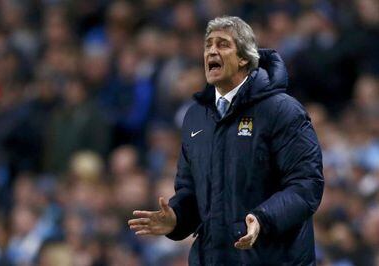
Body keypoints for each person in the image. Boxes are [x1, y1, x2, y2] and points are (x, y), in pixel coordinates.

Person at [128, 16, 324, 265]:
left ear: (244, 57)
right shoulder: (196, 116)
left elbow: (306, 185)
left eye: (222, 44)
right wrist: (176, 218)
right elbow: (191, 192)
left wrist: (262, 218)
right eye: (208, 45)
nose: (212, 51)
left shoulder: (282, 111)